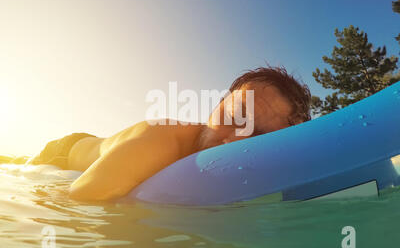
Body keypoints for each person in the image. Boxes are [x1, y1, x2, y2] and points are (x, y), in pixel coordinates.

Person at [28, 66, 311, 201]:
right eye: (236, 116)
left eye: (258, 139)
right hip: (65, 151)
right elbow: (78, 200)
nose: (234, 140)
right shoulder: (160, 142)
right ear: (216, 105)